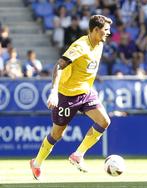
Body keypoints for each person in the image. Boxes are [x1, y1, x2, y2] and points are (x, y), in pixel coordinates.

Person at [30, 15, 113, 180]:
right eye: (106, 30)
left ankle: (78, 155)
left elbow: (88, 67)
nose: (108, 33)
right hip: (66, 95)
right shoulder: (80, 46)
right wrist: (54, 92)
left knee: (104, 121)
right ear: (96, 30)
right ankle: (37, 163)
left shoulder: (100, 43)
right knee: (57, 134)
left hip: (85, 92)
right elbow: (59, 66)